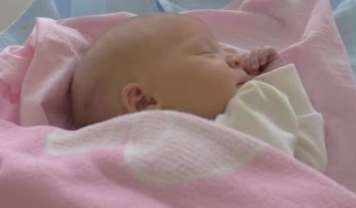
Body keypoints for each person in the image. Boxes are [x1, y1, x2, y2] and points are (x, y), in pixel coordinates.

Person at [70, 13, 327, 171]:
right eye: (207, 52)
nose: (236, 58)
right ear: (144, 100)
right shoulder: (250, 111)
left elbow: (303, 171)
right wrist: (265, 90)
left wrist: (278, 78)